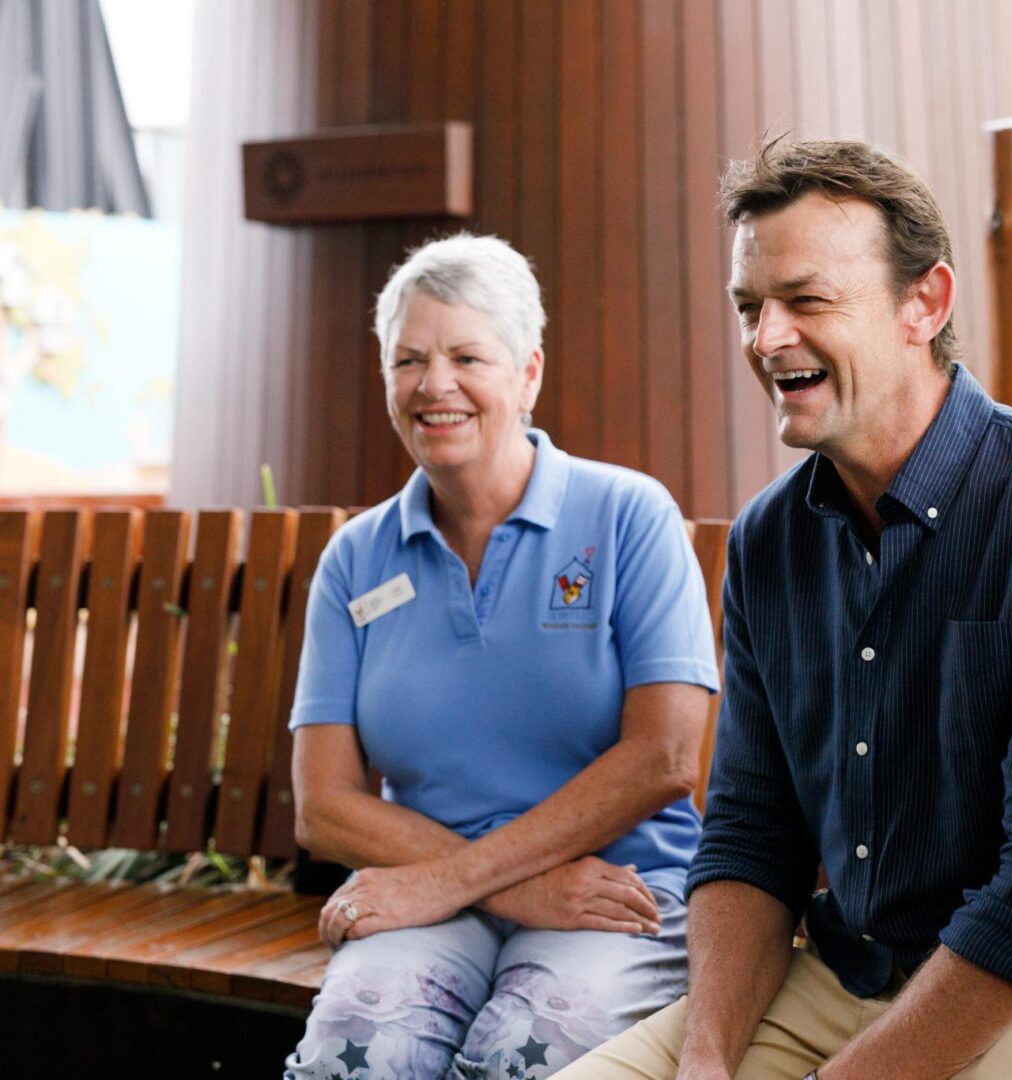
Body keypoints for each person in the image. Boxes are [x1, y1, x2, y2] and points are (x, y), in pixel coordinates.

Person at [559, 138, 1012, 1080]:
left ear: (926, 303)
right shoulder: (769, 539)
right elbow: (752, 837)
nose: (764, 337)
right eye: (750, 307)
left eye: (807, 301)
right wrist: (703, 1061)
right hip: (848, 978)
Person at [284, 233, 719, 1079]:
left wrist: (453, 880)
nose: (433, 384)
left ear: (528, 374)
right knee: (353, 1053)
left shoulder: (628, 515)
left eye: (466, 356)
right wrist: (505, 886)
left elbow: (666, 756)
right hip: (433, 900)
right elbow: (324, 807)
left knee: (522, 1057)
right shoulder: (356, 558)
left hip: (616, 895)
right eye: (408, 360)